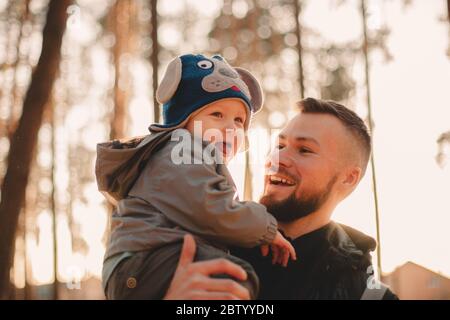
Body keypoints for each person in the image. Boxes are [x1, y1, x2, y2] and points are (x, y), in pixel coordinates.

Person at [95, 54, 296, 300]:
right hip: (144, 261)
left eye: (239, 120)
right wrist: (266, 228)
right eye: (217, 115)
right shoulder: (181, 149)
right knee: (236, 277)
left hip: (145, 264)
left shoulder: (194, 159)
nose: (231, 128)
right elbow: (212, 209)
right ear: (183, 121)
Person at [164, 98, 398, 300]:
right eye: (279, 145)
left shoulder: (369, 296)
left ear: (349, 178)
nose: (277, 158)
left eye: (304, 150)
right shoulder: (194, 241)